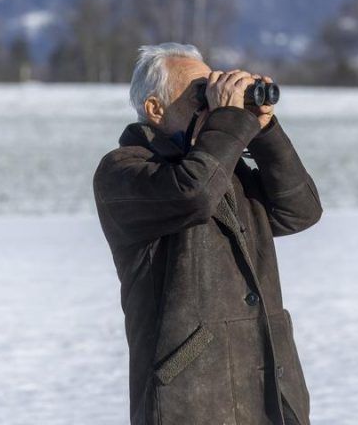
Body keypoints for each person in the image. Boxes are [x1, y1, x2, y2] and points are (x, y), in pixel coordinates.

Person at [92, 42, 323, 424]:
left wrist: (264, 131)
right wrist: (231, 121)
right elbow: (194, 193)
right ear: (155, 108)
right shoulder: (123, 172)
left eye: (214, 90)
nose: (212, 103)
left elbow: (300, 211)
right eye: (200, 94)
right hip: (192, 396)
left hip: (267, 387)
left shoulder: (222, 166)